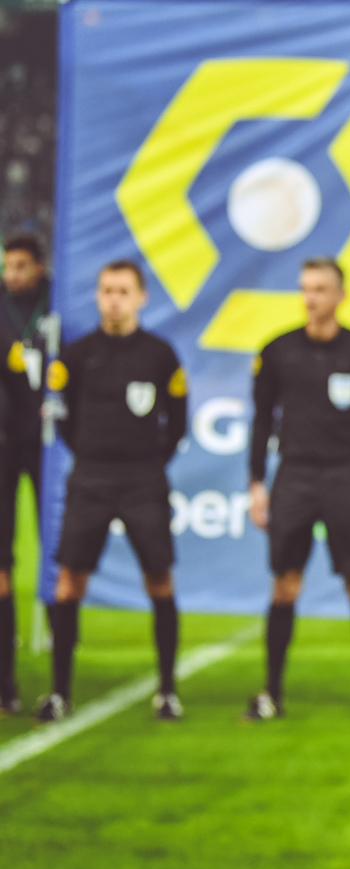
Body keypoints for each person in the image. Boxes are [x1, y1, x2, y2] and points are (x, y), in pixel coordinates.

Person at [34, 260, 187, 722]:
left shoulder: (160, 355)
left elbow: (177, 422)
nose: (113, 300)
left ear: (141, 297)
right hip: (91, 479)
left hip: (143, 481)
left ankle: (167, 691)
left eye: (122, 291)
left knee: (159, 579)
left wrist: (148, 461)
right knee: (69, 580)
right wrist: (92, 455)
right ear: (98, 296)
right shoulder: (77, 355)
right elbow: (63, 420)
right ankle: (60, 691)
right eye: (106, 291)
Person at [246, 257, 350, 722]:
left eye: (320, 289)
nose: (310, 298)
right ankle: (272, 693)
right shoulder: (277, 351)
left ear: (340, 295)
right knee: (284, 583)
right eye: (305, 288)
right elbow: (260, 421)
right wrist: (256, 483)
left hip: (343, 476)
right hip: (293, 476)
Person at [0, 233, 51, 714]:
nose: (12, 274)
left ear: (39, 266)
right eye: (7, 265)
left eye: (20, 265)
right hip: (6, 442)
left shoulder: (58, 302)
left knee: (54, 539)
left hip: (45, 440)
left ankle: (56, 631)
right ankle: (6, 677)